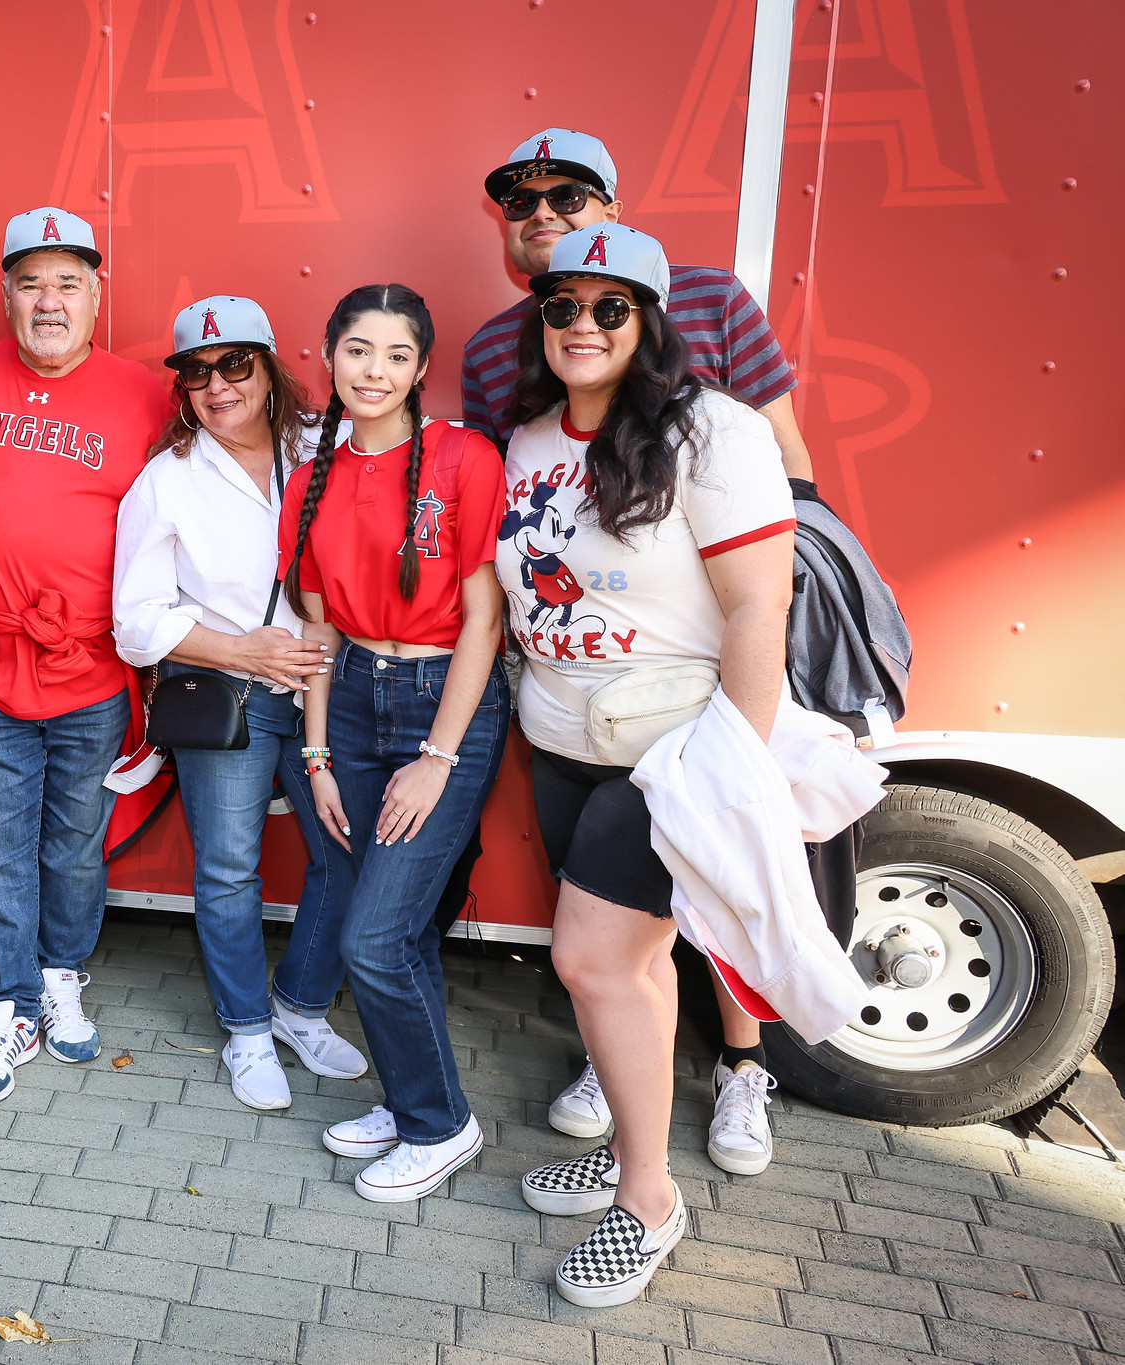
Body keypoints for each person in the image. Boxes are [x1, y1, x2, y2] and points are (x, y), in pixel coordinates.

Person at [463, 128, 806, 1168]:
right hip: (570, 715)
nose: (543, 216)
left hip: (685, 717)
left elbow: (784, 486)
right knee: (617, 947)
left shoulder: (709, 332)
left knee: (679, 921)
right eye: (521, 204)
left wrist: (741, 743)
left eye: (567, 195)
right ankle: (625, 1065)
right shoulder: (499, 364)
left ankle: (736, 1074)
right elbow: (509, 528)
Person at [279, 285, 511, 1203]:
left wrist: (439, 755)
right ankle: (418, 1095)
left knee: (376, 936)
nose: (374, 372)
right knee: (391, 929)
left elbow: (484, 621)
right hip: (349, 702)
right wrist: (315, 757)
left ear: (421, 366)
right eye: (357, 351)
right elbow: (316, 633)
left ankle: (439, 1126)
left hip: (438, 697)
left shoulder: (462, 456)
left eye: (396, 355)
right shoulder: (314, 476)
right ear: (329, 356)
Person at [0, 208, 173, 1103]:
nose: (48, 300)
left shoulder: (144, 392)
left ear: (95, 295)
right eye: (30, 281)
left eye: (67, 281)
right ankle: (2, 1001)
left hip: (90, 667)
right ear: (6, 293)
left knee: (72, 845)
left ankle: (61, 975)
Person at [112, 296, 366, 1111]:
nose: (216, 385)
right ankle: (247, 1029)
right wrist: (238, 650)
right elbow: (135, 619)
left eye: (234, 364)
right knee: (227, 871)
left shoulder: (325, 449)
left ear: (267, 367)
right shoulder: (167, 479)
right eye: (195, 372)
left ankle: (297, 1005)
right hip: (233, 695)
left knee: (347, 852)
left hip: (331, 691)